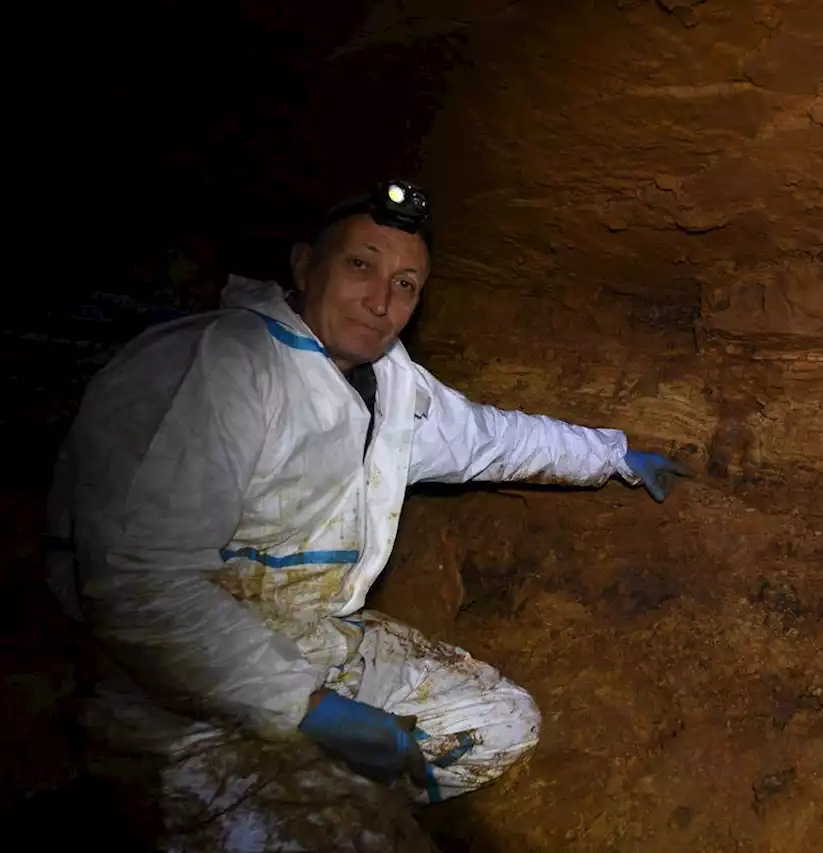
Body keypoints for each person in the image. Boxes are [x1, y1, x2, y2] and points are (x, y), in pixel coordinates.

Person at [46, 179, 691, 851]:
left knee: (497, 722)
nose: (382, 300)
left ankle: (313, 795)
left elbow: (490, 439)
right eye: (361, 265)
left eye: (407, 284)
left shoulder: (389, 381)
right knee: (353, 836)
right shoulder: (219, 368)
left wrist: (614, 454)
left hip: (310, 637)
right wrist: (313, 711)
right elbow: (140, 589)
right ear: (303, 265)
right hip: (165, 688)